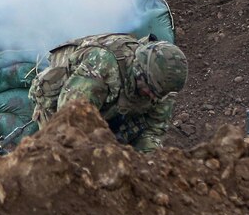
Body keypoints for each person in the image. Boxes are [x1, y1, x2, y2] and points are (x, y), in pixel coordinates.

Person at [28, 34, 188, 152]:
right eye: (150, 91)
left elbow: (153, 131)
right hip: (63, 97)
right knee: (63, 153)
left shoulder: (162, 88)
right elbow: (69, 119)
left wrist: (145, 168)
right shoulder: (104, 66)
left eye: (158, 95)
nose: (153, 98)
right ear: (138, 72)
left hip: (106, 100)